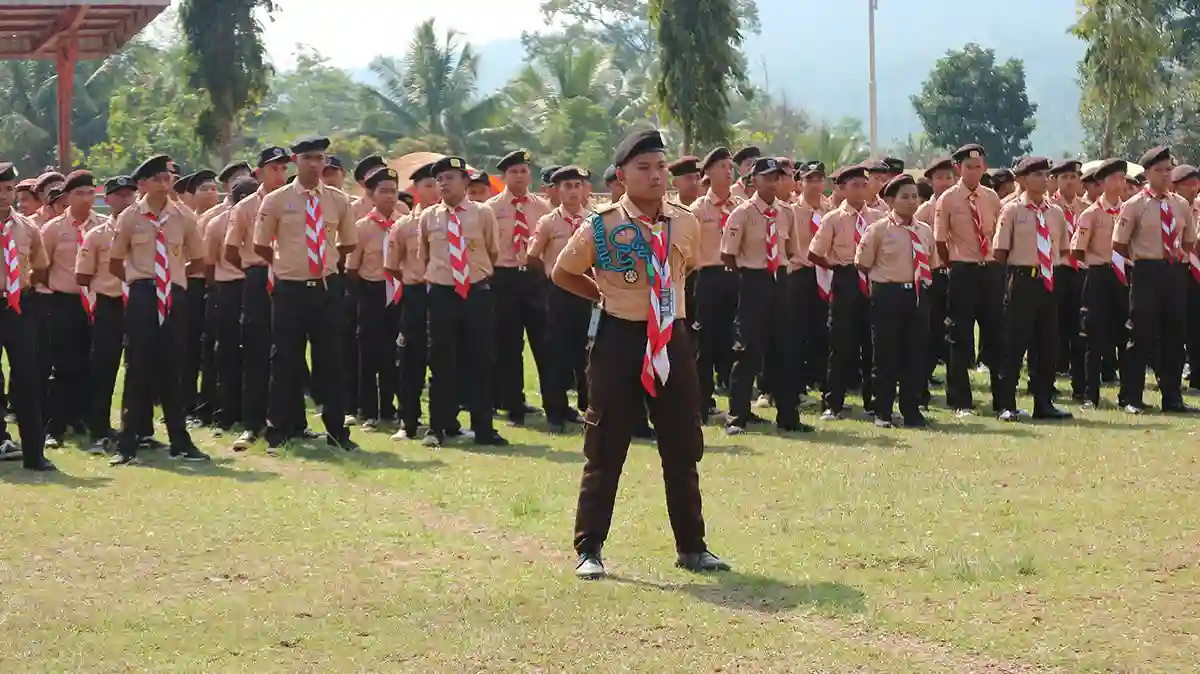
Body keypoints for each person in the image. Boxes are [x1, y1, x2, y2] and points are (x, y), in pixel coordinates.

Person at [553, 128, 728, 579]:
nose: (655, 176)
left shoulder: (685, 221)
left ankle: (692, 547)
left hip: (671, 338)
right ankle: (588, 549)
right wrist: (602, 296)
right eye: (643, 168)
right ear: (622, 175)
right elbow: (563, 271)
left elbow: (685, 272)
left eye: (661, 166)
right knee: (606, 445)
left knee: (682, 444)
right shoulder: (603, 223)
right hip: (619, 338)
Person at [254, 136, 359, 451]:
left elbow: (349, 242)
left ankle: (336, 432)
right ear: (295, 161)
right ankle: (278, 432)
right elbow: (260, 244)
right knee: (285, 361)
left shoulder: (339, 200)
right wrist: (287, 264)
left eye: (320, 158)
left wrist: (325, 261)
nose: (315, 164)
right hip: (290, 290)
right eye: (309, 158)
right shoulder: (276, 200)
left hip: (326, 289)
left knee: (331, 361)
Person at [107, 155, 210, 465]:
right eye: (157, 178)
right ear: (142, 184)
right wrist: (143, 286)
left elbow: (199, 259)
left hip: (174, 296)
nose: (165, 183)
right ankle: (127, 444)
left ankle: (180, 441)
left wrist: (173, 278)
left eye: (167, 177)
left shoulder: (184, 216)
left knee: (172, 369)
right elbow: (115, 262)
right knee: (137, 368)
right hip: (143, 295)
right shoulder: (129, 217)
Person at [418, 156, 508, 447]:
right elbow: (424, 256)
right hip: (442, 294)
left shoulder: (483, 214)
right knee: (441, 361)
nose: (443, 183)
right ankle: (438, 427)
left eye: (450, 178)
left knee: (481, 360)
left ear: (465, 182)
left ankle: (483, 428)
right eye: (439, 179)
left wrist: (472, 275)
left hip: (476, 293)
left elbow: (492, 252)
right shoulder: (428, 217)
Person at [722, 157, 806, 434]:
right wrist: (748, 278)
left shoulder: (786, 212)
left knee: (785, 349)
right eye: (767, 177)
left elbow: (792, 250)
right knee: (746, 350)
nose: (773, 183)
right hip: (753, 280)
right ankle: (737, 416)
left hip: (780, 280)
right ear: (754, 180)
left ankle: (788, 416)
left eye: (777, 177)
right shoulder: (743, 212)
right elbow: (728, 254)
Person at [1113, 146, 1197, 414]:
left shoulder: (1181, 205)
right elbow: (1119, 244)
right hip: (1146, 271)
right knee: (1140, 335)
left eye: (1168, 170)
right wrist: (1144, 259)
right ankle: (1131, 397)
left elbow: (1189, 240)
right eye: (1159, 170)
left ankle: (1171, 397)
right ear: (1147, 173)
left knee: (1174, 334)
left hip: (1174, 272)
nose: (1165, 175)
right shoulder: (1134, 205)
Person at [992, 157, 1073, 421]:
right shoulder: (1012, 210)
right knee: (1014, 343)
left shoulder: (1056, 212)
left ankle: (1043, 402)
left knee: (1048, 343)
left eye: (1046, 174)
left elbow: (1063, 249)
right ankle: (1006, 403)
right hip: (1022, 278)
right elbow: (1000, 251)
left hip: (1049, 279)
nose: (1044, 179)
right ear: (1022, 180)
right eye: (1037, 175)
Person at [855, 174, 933, 428]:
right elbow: (862, 262)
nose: (911, 202)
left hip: (917, 294)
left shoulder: (924, 231)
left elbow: (931, 262)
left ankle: (911, 410)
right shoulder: (878, 229)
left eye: (915, 197)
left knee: (914, 355)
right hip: (887, 295)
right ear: (890, 200)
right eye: (905, 197)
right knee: (886, 356)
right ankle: (883, 411)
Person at [225, 146, 289, 450]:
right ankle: (252, 424)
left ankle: (291, 423)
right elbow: (231, 249)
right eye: (273, 168)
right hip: (258, 276)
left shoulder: (296, 202)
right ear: (259, 172)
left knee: (288, 352)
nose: (279, 174)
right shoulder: (246, 206)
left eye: (283, 168)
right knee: (255, 350)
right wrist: (254, 272)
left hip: (290, 278)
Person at [810, 164, 883, 420]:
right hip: (845, 278)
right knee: (841, 345)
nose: (861, 190)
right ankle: (833, 403)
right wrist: (836, 268)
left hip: (872, 279)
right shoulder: (833, 218)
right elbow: (815, 252)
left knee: (872, 345)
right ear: (841, 188)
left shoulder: (877, 217)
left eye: (864, 185)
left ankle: (874, 401)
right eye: (854, 185)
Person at [936, 143, 1004, 417]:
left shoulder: (991, 198)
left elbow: (998, 233)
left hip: (989, 269)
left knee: (996, 334)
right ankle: (960, 400)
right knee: (959, 335)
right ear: (958, 169)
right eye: (968, 167)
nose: (974, 172)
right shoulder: (948, 199)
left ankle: (1003, 401)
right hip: (963, 269)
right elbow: (941, 239)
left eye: (978, 167)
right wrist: (952, 263)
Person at [486, 150, 551, 425]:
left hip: (535, 278)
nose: (520, 176)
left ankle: (554, 405)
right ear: (505, 176)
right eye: (514, 171)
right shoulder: (491, 208)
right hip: (504, 277)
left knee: (545, 343)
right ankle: (514, 405)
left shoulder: (542, 208)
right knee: (509, 344)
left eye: (524, 170)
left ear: (530, 175)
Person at [40, 170, 104, 447]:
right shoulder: (53, 229)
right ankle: (56, 425)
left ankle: (88, 419)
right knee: (62, 364)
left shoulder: (103, 226)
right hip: (64, 302)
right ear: (67, 197)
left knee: (94, 362)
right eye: (79, 193)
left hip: (96, 302)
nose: (86, 199)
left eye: (91, 192)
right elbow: (41, 267)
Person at [528, 166, 593, 432]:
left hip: (590, 291)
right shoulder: (548, 222)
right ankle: (555, 411)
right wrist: (549, 277)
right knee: (556, 352)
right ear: (557, 190)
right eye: (567, 186)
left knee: (589, 353)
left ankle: (590, 409)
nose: (573, 191)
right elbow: (532, 256)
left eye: (577, 185)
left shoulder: (594, 220)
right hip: (558, 294)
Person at [0, 162, 56, 470]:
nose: (3, 196)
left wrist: (23, 287)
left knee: (27, 379)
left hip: (18, 308)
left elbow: (41, 265)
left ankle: (34, 454)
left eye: (9, 189)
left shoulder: (26, 227)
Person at [76, 175, 136, 454]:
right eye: (120, 195)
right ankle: (99, 427)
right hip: (109, 304)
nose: (126, 200)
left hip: (139, 303)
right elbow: (83, 274)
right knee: (104, 368)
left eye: (130, 195)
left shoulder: (145, 229)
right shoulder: (97, 234)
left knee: (139, 368)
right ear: (107, 199)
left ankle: (136, 429)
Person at [346, 167, 403, 430]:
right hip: (372, 291)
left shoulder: (404, 223)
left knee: (396, 353)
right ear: (371, 194)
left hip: (400, 293)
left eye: (393, 191)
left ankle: (392, 409)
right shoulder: (362, 227)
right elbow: (352, 268)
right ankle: (367, 409)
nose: (390, 197)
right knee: (369, 353)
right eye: (383, 191)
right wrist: (367, 293)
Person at [1072, 159, 1131, 409]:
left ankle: (1128, 395)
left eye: (1122, 178)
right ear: (1103, 182)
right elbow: (1078, 250)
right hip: (1098, 275)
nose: (1120, 183)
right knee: (1093, 338)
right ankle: (1090, 395)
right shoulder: (1091, 214)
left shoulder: (1130, 210)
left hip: (1124, 276)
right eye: (1114, 178)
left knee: (1126, 336)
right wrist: (1099, 265)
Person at [688, 147, 742, 420]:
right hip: (708, 278)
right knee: (705, 344)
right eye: (722, 166)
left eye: (730, 166)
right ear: (707, 172)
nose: (728, 171)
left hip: (736, 276)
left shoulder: (741, 206)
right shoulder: (697, 210)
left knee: (735, 343)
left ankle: (737, 406)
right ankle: (702, 403)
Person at [385, 163, 436, 441]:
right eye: (427, 185)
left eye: (437, 184)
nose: (434, 191)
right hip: (415, 294)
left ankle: (444, 421)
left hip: (446, 294)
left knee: (444, 358)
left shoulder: (451, 222)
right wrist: (414, 280)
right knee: (409, 359)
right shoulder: (403, 225)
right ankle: (408, 421)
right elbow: (391, 266)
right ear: (416, 190)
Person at [203, 177, 256, 436]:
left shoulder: (263, 220)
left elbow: (210, 265)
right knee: (229, 352)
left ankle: (237, 413)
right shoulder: (217, 224)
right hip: (233, 288)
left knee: (242, 353)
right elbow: (209, 264)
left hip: (237, 289)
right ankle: (228, 412)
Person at [784, 160, 832, 406]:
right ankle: (797, 387)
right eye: (809, 179)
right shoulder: (791, 210)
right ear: (799, 182)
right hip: (801, 274)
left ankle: (826, 386)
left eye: (818, 179)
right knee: (797, 332)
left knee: (824, 331)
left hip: (826, 274)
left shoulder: (831, 209)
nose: (814, 185)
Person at [915, 157, 955, 398]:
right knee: (930, 331)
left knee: (955, 332)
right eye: (939, 178)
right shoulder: (924, 211)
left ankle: (955, 383)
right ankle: (922, 379)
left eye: (949, 177)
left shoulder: (961, 203)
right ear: (930, 181)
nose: (944, 182)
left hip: (959, 274)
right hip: (934, 275)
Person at [1172, 164, 1200, 392]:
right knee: (1177, 324)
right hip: (1176, 270)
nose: (1194, 189)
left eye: (1196, 184)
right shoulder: (1171, 208)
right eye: (1189, 184)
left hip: (1196, 273)